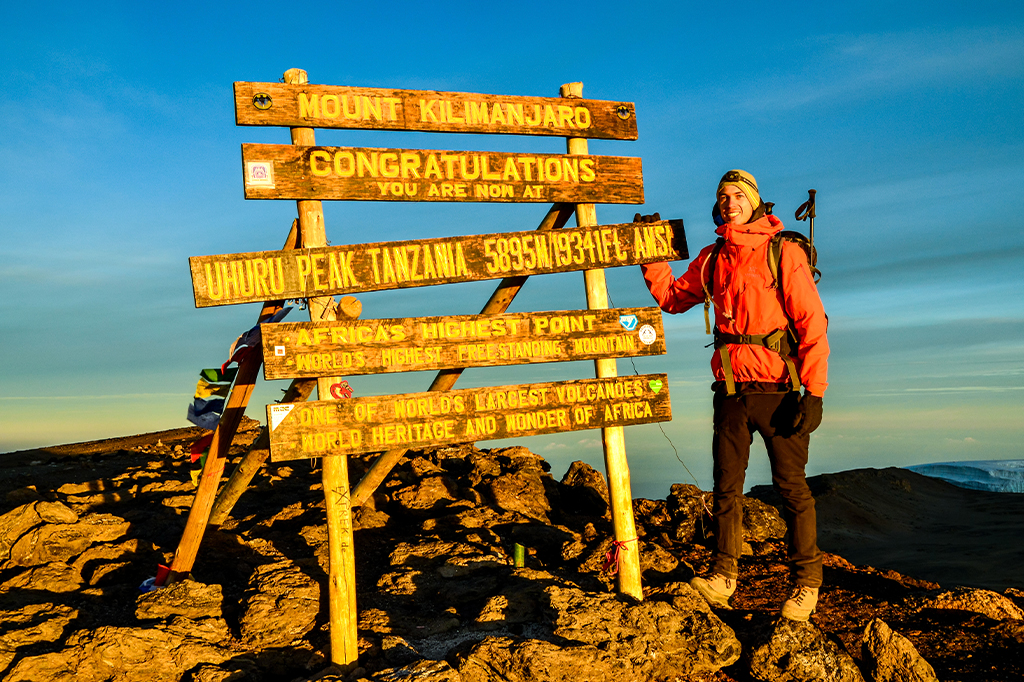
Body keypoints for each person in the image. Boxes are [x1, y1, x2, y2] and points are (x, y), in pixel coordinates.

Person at [639, 169, 829, 621]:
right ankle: (723, 575)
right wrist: (651, 252)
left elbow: (812, 322)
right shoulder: (711, 257)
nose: (729, 202)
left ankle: (806, 584)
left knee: (792, 489)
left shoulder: (782, 252)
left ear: (755, 203)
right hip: (729, 389)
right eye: (723, 196)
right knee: (727, 487)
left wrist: (814, 392)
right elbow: (672, 298)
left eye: (738, 195)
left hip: (779, 387)